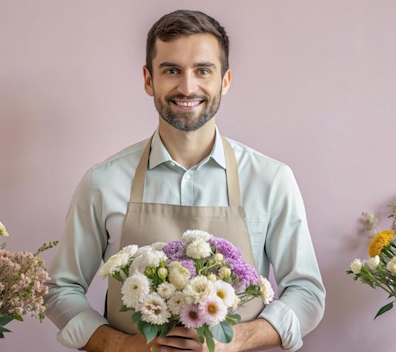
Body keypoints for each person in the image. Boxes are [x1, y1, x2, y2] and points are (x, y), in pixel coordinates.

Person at [45, 9, 325, 352]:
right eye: (171, 71)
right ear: (149, 80)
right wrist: (121, 345)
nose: (187, 87)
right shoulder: (103, 181)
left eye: (203, 70)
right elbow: (60, 289)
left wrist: (237, 340)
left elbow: (307, 293)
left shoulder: (271, 180)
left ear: (225, 80)